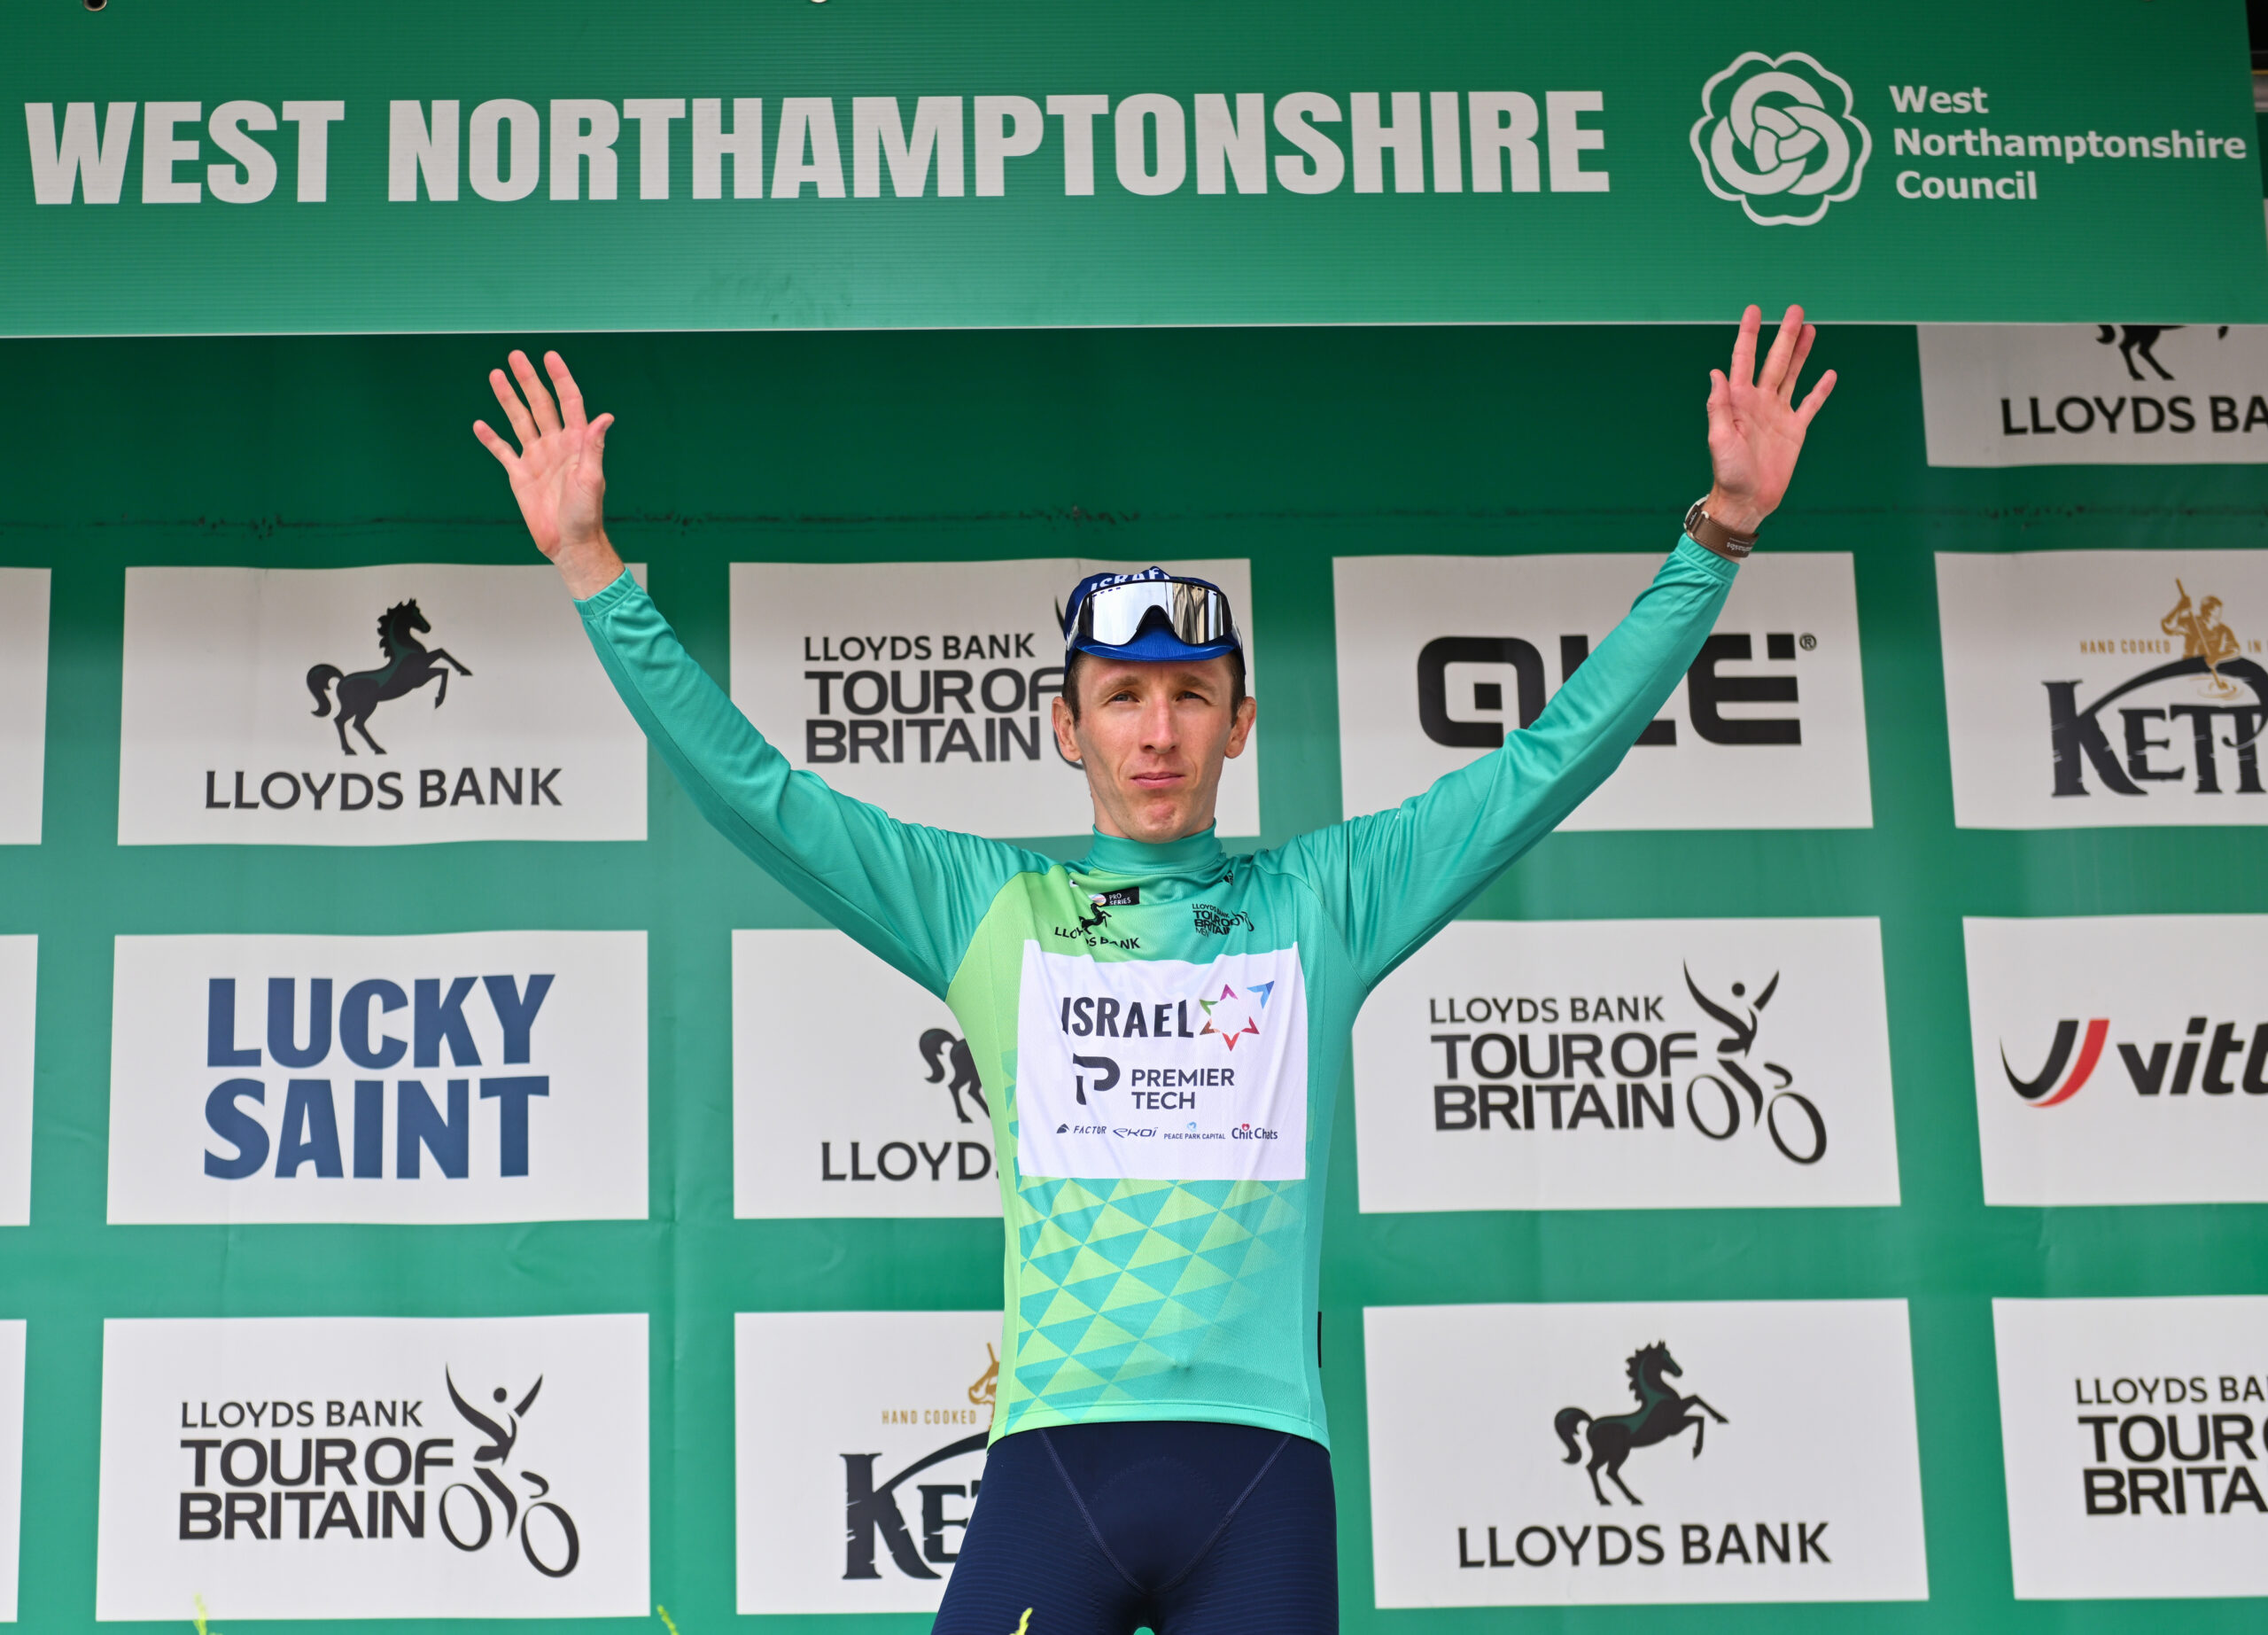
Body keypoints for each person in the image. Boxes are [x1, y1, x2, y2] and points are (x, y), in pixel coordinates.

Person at [474, 305, 1835, 1634]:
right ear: (1068, 727)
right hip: (1055, 1458)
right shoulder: (988, 908)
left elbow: (1555, 758)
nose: (1158, 731)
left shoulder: (1324, 902)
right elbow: (753, 790)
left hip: (1262, 1475)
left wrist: (1719, 532)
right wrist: (594, 565)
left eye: (1190, 693)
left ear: (1242, 718)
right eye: (1123, 698)